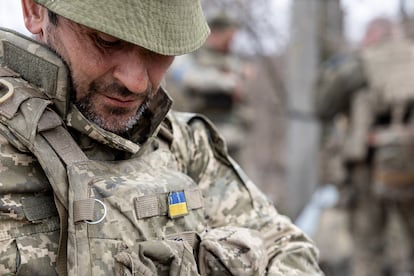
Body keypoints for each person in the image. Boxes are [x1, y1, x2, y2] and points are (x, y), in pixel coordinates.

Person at [0, 0, 323, 275]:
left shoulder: (184, 145)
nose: (137, 82)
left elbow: (286, 247)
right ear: (34, 10)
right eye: (107, 40)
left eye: (159, 49)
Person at [314, 17, 414, 275]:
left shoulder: (360, 65)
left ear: (372, 36)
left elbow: (323, 106)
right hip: (409, 162)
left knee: (368, 248)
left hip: (366, 167)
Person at [167, 13, 253, 163]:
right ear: (215, 33)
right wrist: (227, 82)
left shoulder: (231, 59)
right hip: (197, 135)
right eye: (228, 37)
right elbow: (189, 78)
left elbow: (243, 91)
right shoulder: (192, 53)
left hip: (232, 137)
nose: (231, 42)